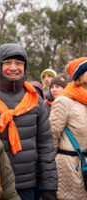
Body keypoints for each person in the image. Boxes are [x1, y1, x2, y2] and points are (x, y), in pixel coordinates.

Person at [0, 43, 58, 200]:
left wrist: (50, 186)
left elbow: (45, 146)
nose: (13, 68)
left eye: (19, 63)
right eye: (7, 63)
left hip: (26, 186)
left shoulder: (35, 101)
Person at [50, 57, 87, 199]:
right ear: (80, 75)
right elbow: (53, 134)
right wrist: (50, 168)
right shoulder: (64, 100)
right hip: (69, 165)